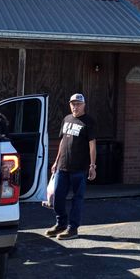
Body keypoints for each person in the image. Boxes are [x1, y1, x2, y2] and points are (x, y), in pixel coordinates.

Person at [46, 93, 96, 240]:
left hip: (79, 168)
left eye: (78, 104)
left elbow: (92, 145)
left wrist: (92, 165)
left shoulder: (88, 122)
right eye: (73, 104)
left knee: (77, 199)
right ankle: (61, 224)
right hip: (62, 166)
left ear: (84, 105)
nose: (75, 106)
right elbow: (62, 142)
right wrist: (56, 161)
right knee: (58, 198)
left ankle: (72, 228)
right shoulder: (66, 119)